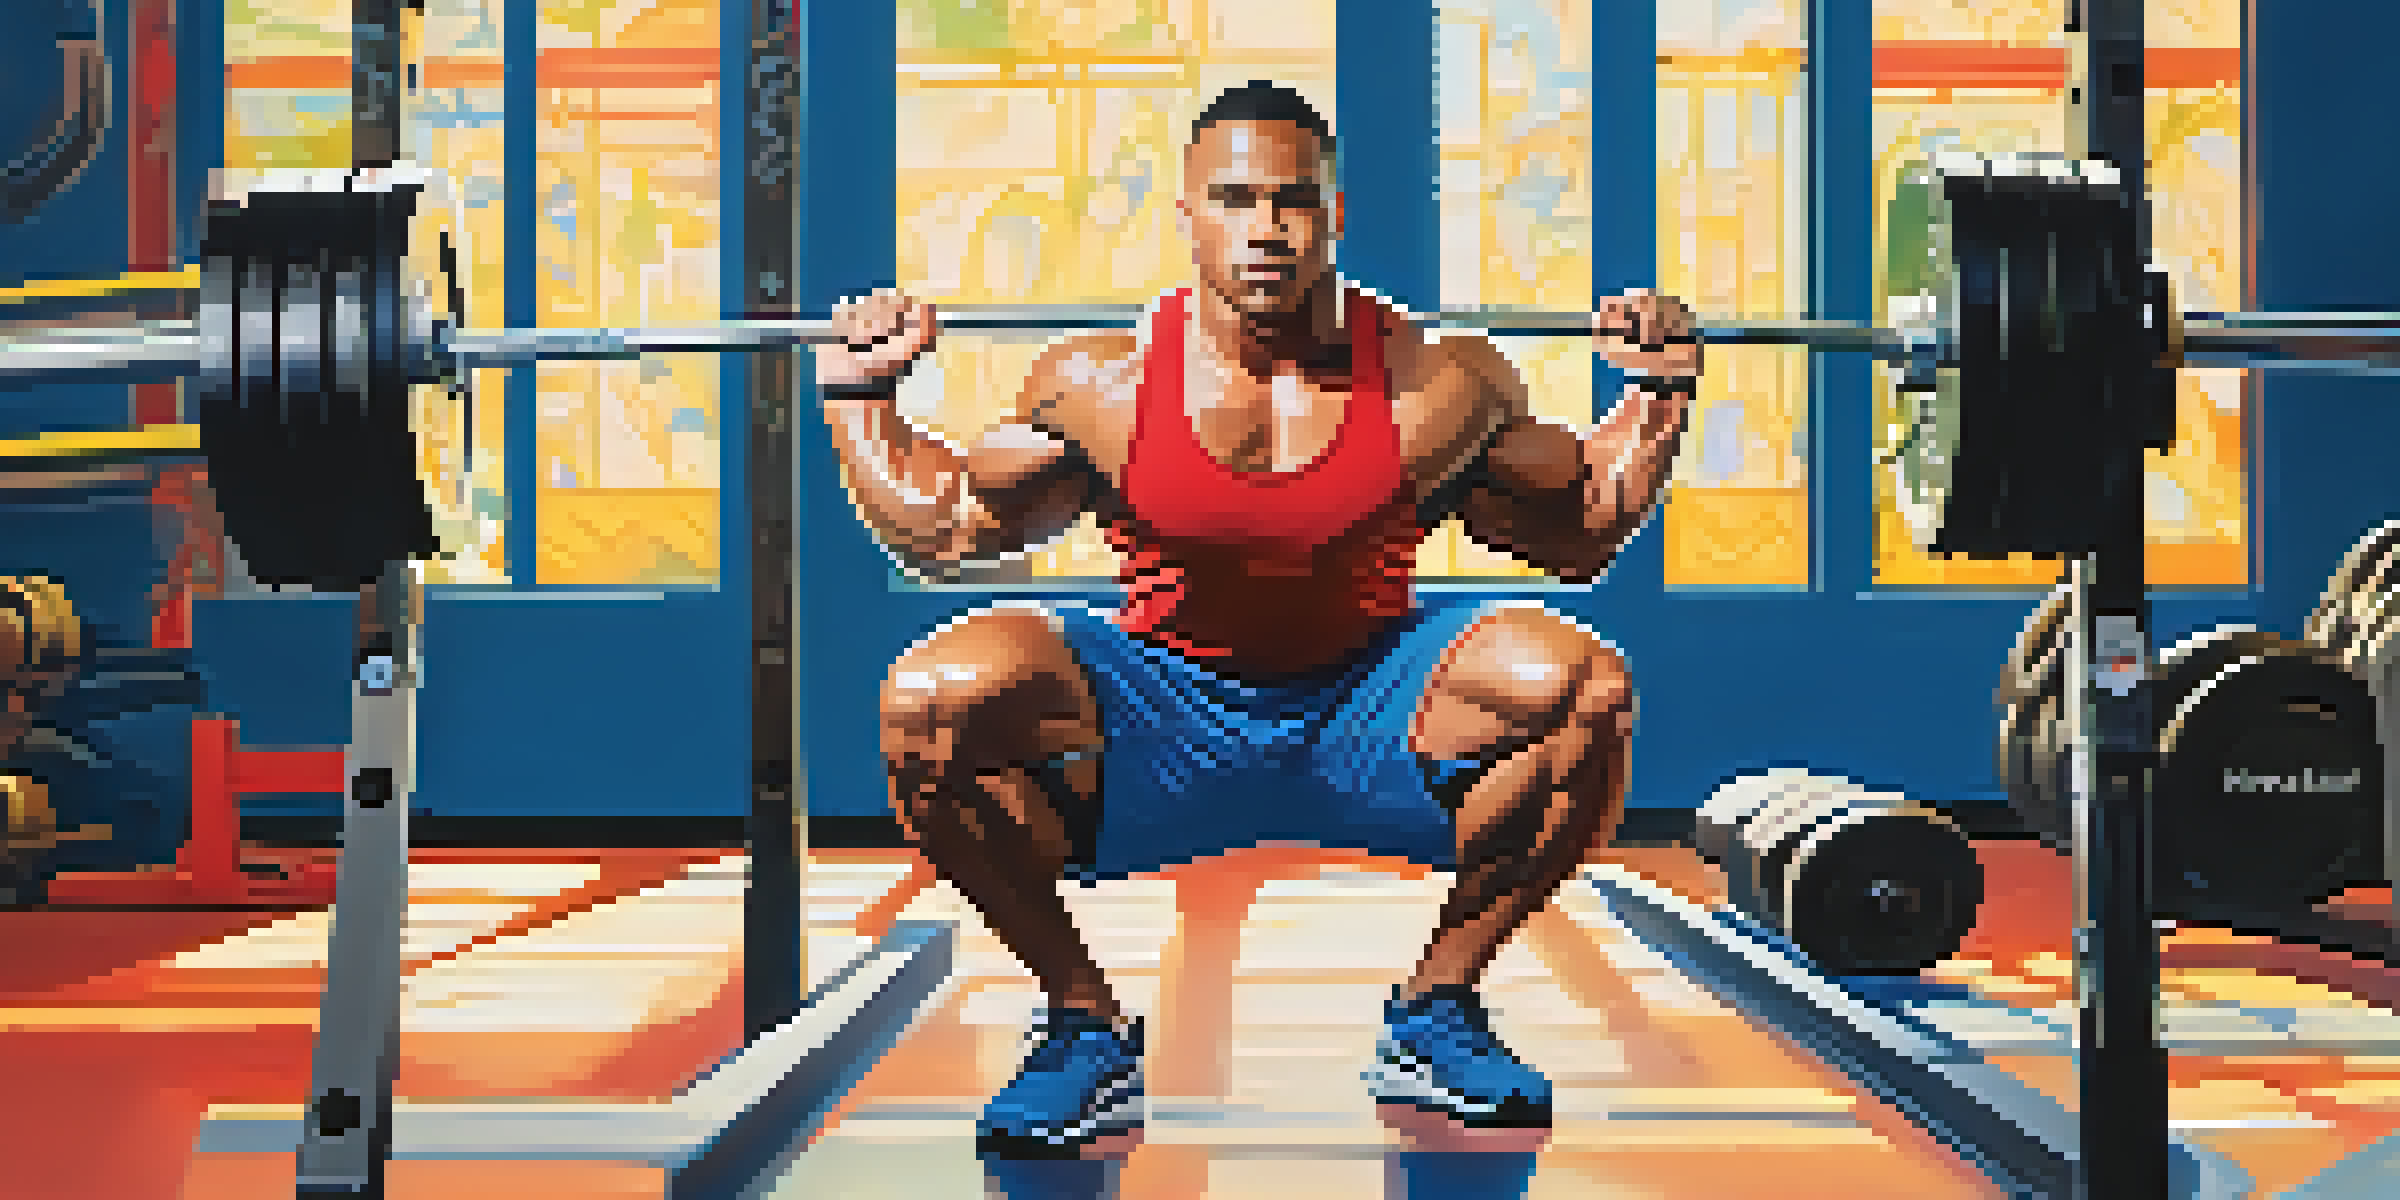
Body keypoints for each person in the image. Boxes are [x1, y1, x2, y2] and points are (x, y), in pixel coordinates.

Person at [816, 80, 1700, 1159]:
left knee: (1583, 690)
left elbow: (1580, 534)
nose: (1266, 228)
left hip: (1372, 703)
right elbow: (947, 529)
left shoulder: (1440, 385)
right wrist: (860, 396)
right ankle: (1083, 1024)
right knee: (930, 702)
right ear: (1187, 213)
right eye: (1235, 199)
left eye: (1293, 200)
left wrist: (1656, 399)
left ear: (1336, 213)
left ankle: (1437, 1009)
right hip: (1155, 710)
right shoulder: (1101, 385)